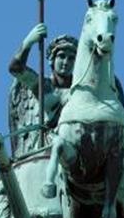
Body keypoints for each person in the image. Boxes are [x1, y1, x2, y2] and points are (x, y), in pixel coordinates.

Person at [7, 23, 79, 153]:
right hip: (45, 148)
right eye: (61, 56)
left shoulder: (80, 90)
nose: (66, 62)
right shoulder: (43, 86)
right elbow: (15, 68)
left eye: (71, 58)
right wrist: (29, 41)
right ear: (52, 59)